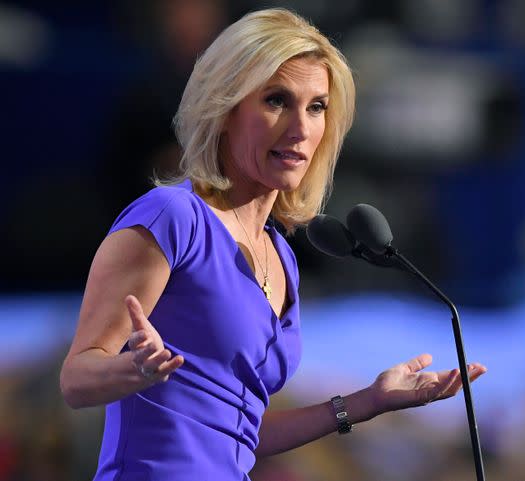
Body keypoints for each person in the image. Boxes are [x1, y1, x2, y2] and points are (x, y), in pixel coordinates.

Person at [60, 8, 487, 481]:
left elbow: (237, 433)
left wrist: (368, 402)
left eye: (316, 107)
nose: (301, 128)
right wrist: (133, 372)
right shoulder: (173, 218)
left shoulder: (280, 255)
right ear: (224, 110)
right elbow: (77, 379)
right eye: (277, 101)